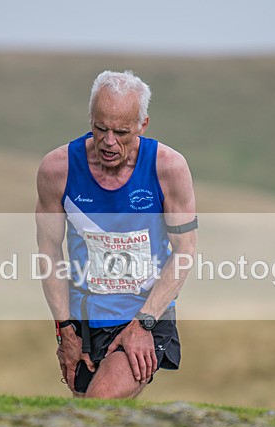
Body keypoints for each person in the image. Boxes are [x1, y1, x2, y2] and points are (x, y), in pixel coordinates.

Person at [35, 70, 197, 399]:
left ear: (143, 124)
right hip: (84, 323)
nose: (109, 142)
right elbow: (50, 253)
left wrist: (144, 323)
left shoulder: (168, 168)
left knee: (99, 404)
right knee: (91, 419)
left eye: (121, 132)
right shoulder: (57, 170)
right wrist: (64, 330)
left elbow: (185, 251)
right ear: (90, 118)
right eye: (100, 128)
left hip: (145, 316)